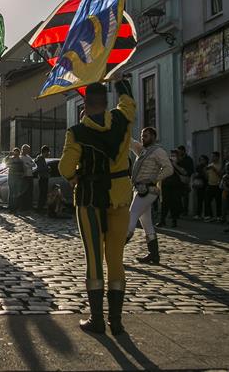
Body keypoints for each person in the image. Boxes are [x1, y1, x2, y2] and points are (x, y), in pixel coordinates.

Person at [59, 78, 135, 336]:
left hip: (91, 198)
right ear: (106, 101)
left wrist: (74, 177)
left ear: (85, 104)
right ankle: (117, 321)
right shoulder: (123, 118)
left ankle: (97, 320)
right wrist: (120, 82)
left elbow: (65, 168)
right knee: (116, 258)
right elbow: (128, 101)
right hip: (121, 195)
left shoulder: (77, 132)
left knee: (94, 257)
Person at [126, 127, 173, 264]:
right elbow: (130, 142)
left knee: (132, 214)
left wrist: (154, 179)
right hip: (139, 189)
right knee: (147, 223)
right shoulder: (142, 150)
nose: (143, 138)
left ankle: (118, 248)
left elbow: (169, 168)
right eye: (142, 135)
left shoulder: (158, 151)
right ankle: (154, 254)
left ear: (153, 136)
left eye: (145, 136)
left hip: (148, 190)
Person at [157, 149, 185, 228]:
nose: (173, 157)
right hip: (166, 185)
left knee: (174, 204)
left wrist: (174, 165)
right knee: (164, 204)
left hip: (175, 186)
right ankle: (162, 221)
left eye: (174, 156)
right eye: (172, 155)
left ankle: (174, 221)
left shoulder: (181, 163)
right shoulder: (167, 162)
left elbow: (184, 172)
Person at [204, 152, 222, 222]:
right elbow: (207, 176)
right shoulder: (210, 165)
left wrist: (214, 169)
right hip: (210, 185)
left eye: (214, 156)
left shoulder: (220, 165)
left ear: (218, 157)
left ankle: (219, 216)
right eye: (212, 156)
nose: (212, 158)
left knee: (218, 202)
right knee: (207, 201)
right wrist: (205, 171)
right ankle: (209, 216)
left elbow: (221, 175)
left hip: (218, 185)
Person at [19, 144, 36, 211]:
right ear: (23, 149)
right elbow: (25, 166)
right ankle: (23, 207)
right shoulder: (21, 157)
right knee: (24, 192)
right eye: (27, 150)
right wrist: (29, 165)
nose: (28, 151)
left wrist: (29, 164)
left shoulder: (28, 157)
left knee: (30, 192)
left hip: (30, 176)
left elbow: (34, 164)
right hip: (25, 176)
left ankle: (29, 206)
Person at [35, 146, 51, 213]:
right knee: (42, 194)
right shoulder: (40, 158)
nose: (48, 153)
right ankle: (39, 209)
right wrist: (48, 168)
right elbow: (40, 169)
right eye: (48, 152)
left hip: (44, 177)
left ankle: (41, 208)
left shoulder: (42, 158)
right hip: (42, 178)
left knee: (44, 194)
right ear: (45, 152)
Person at [192, 155, 209, 220]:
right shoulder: (198, 167)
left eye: (203, 160)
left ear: (206, 160)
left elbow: (207, 176)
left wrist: (204, 171)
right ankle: (198, 214)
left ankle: (206, 214)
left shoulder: (207, 166)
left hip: (206, 185)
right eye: (200, 160)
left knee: (206, 200)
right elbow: (195, 175)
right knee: (199, 200)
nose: (202, 161)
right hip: (199, 185)